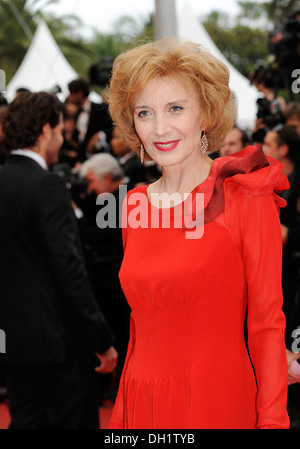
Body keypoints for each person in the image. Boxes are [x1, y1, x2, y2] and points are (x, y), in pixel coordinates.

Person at [107, 38, 290, 429]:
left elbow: (267, 325)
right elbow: (138, 330)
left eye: (175, 108)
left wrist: (273, 421)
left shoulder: (245, 195)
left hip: (214, 400)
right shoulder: (134, 205)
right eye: (144, 112)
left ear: (206, 113)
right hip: (141, 402)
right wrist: (121, 418)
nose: (160, 128)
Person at [0, 92, 118, 429]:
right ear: (45, 130)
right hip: (58, 341)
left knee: (25, 421)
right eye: (59, 129)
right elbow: (69, 269)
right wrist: (101, 337)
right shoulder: (46, 185)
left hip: (12, 338)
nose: (62, 137)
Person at [67, 78, 112, 158]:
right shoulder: (76, 114)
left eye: (71, 93)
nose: (69, 97)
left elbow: (112, 129)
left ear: (80, 94)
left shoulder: (101, 108)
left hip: (102, 156)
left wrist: (99, 135)